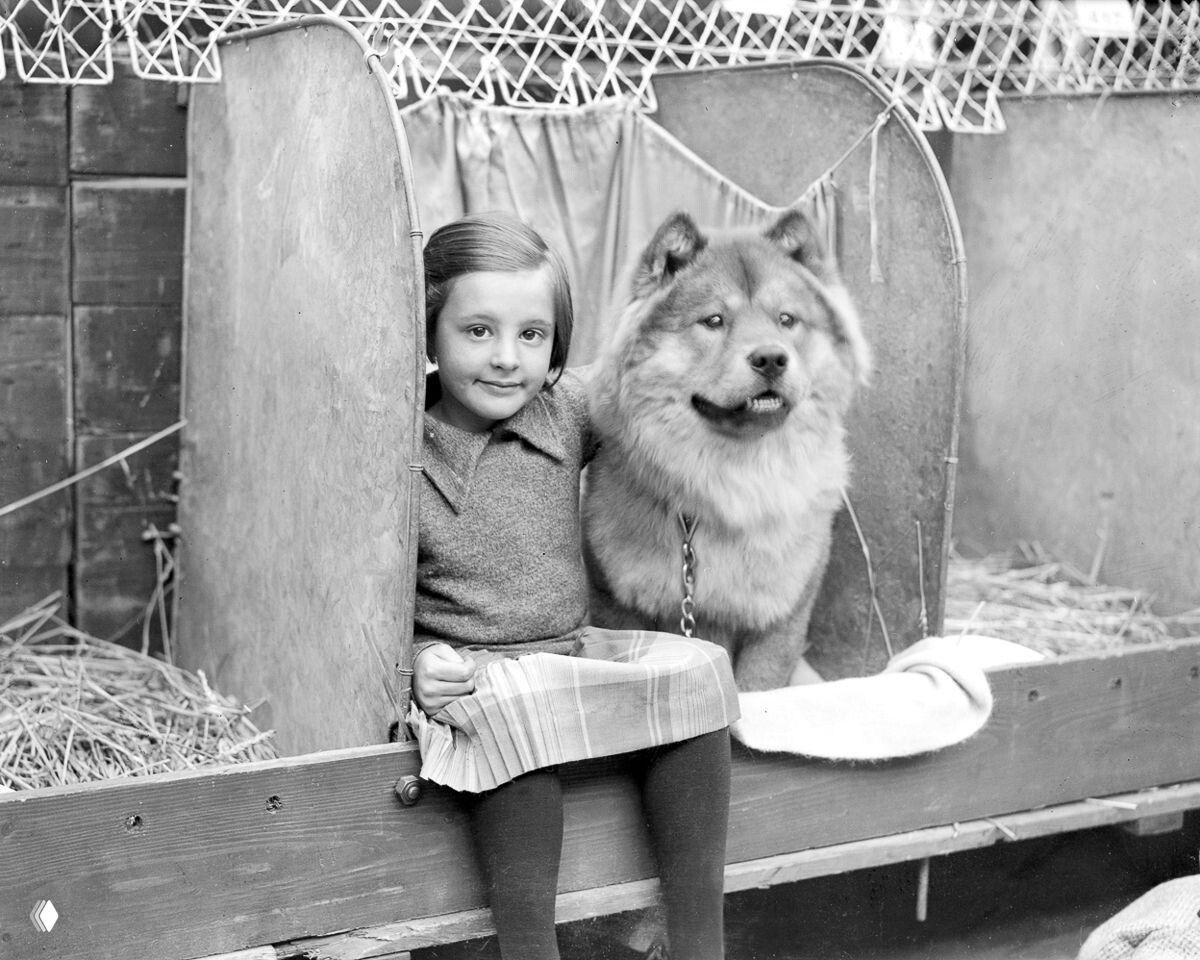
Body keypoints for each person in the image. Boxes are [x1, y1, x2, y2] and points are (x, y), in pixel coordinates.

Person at [407, 211, 739, 960]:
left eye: (532, 336)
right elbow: (359, 603)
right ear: (426, 332)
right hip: (477, 679)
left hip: (571, 654)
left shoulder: (564, 412)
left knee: (698, 670)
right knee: (512, 708)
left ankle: (700, 942)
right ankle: (530, 949)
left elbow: (647, 368)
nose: (506, 361)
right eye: (477, 331)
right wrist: (417, 664)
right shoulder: (400, 446)